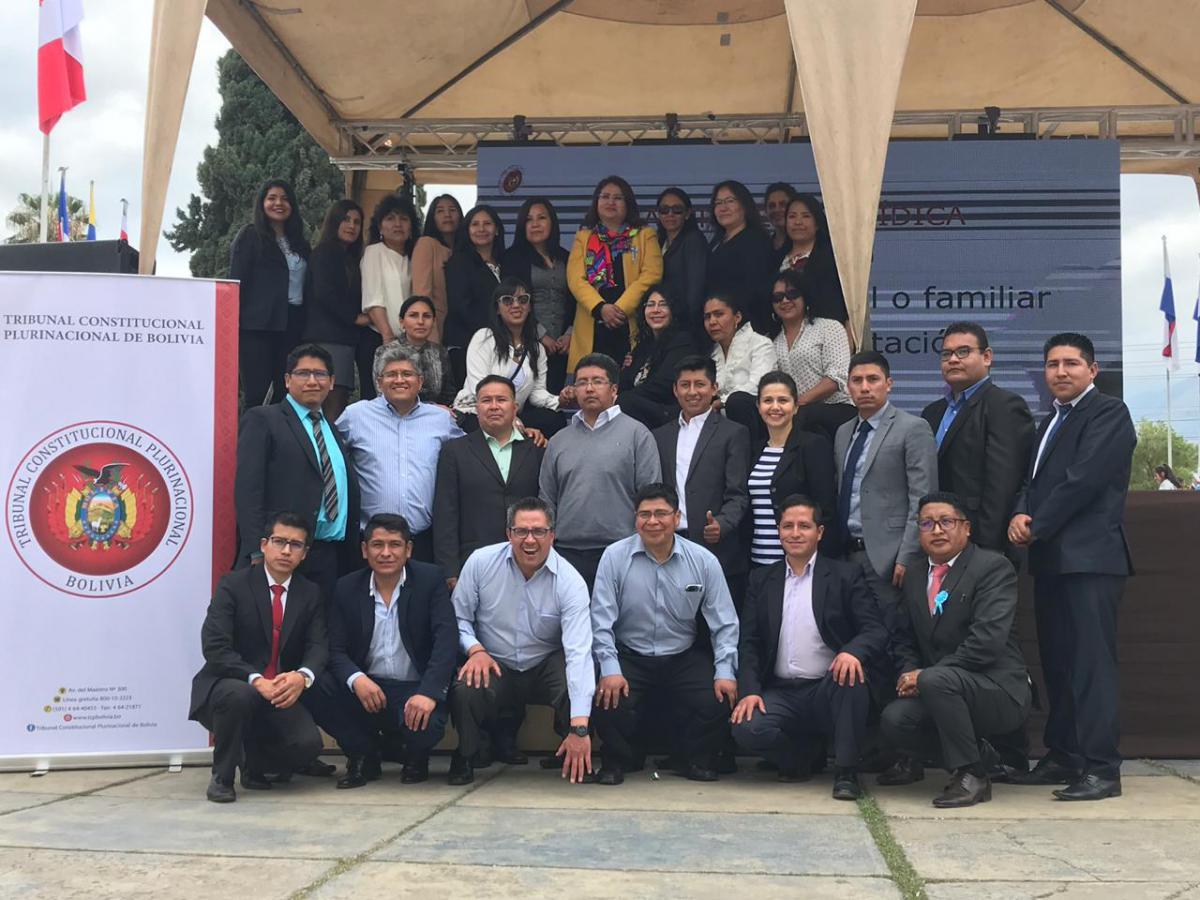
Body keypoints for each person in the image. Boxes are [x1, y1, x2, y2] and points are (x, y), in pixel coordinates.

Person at [1008, 332, 1137, 801]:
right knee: (1058, 663)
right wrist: (1020, 512)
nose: (1060, 372)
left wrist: (1036, 524)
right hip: (1051, 562)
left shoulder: (1109, 413)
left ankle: (1101, 768)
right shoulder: (1049, 422)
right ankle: (1063, 755)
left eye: (1071, 363)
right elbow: (1030, 482)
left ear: (1092, 370)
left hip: (1090, 561)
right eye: (1052, 364)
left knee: (1090, 666)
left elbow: (1082, 481)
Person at [878, 493, 1032, 808]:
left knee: (935, 680)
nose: (937, 530)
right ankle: (982, 755)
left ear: (966, 528)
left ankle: (973, 776)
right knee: (896, 719)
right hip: (941, 688)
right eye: (927, 523)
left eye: (946, 522)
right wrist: (910, 674)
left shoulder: (992, 567)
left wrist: (926, 675)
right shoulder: (914, 574)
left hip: (997, 689)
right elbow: (904, 638)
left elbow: (987, 641)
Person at [730, 495, 888, 799]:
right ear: (778, 531)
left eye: (804, 526)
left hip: (827, 689)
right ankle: (801, 759)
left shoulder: (844, 575)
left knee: (851, 677)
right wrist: (749, 690)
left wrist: (852, 651)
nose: (795, 533)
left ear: (820, 532)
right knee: (746, 727)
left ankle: (846, 773)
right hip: (781, 691)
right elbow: (749, 642)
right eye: (787, 526)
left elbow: (875, 629)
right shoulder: (762, 579)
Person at [590, 484, 740, 784]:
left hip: (682, 654)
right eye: (644, 514)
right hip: (630, 653)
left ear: (677, 517)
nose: (653, 521)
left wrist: (725, 671)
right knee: (607, 695)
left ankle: (694, 759)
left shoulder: (703, 560)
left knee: (717, 696)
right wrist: (609, 668)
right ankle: (621, 759)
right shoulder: (614, 557)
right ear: (635, 519)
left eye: (661, 513)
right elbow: (600, 621)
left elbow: (724, 623)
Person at [448, 497, 595, 785]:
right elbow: (457, 618)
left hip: (544, 665)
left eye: (539, 531)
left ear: (552, 535)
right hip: (494, 662)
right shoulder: (480, 562)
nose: (530, 540)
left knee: (579, 676)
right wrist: (475, 650)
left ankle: (571, 748)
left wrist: (580, 727)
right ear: (508, 534)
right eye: (521, 531)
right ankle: (466, 754)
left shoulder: (570, 581)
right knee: (466, 687)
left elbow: (579, 652)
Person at [304, 514, 456, 788]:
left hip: (413, 688)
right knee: (316, 686)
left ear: (408, 549)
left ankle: (415, 756)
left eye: (395, 545)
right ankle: (362, 754)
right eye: (377, 545)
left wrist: (428, 693)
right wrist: (356, 679)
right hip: (367, 688)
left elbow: (445, 642)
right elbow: (334, 648)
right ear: (364, 550)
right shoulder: (347, 587)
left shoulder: (430, 580)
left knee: (427, 725)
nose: (386, 553)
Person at [189, 512, 327, 803]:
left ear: (304, 553)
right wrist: (254, 679)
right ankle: (222, 777)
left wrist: (301, 676)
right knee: (239, 695)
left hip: (279, 691)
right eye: (279, 542)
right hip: (232, 684)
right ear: (264, 545)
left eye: (295, 545)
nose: (286, 551)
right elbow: (215, 646)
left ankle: (253, 762)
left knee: (307, 746)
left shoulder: (310, 593)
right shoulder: (233, 585)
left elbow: (318, 646)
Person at [234, 344, 360, 600]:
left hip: (329, 556)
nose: (312, 381)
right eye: (303, 373)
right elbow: (248, 490)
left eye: (320, 374)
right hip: (281, 554)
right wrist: (257, 551)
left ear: (332, 382)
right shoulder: (263, 419)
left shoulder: (332, 429)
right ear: (287, 380)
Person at [539, 353, 662, 590]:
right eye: (582, 382)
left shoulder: (638, 434)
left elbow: (650, 496)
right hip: (566, 553)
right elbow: (547, 498)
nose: (589, 388)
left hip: (622, 550)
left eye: (597, 381)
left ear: (614, 389)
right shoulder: (558, 440)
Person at [834, 351, 938, 629]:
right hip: (846, 553)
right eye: (857, 380)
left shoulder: (913, 428)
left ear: (889, 384)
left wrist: (907, 556)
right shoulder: (843, 432)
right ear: (848, 386)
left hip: (889, 557)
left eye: (873, 379)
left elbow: (923, 499)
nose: (865, 387)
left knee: (893, 633)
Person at [336, 342, 465, 563]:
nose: (399, 380)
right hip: (369, 542)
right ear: (379, 382)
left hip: (423, 541)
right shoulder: (355, 416)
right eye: (391, 374)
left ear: (420, 381)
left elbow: (470, 451)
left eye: (407, 374)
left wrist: (515, 425)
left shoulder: (440, 419)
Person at [920, 322, 1035, 557]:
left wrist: (984, 551)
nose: (953, 360)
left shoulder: (1004, 405)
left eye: (963, 352)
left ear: (987, 357)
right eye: (946, 354)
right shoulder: (932, 412)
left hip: (981, 545)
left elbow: (1002, 486)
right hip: (937, 542)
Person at [653, 355, 751, 606]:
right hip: (671, 545)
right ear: (675, 390)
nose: (692, 392)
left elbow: (738, 493)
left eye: (700, 384)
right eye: (685, 385)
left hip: (716, 546)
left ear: (714, 388)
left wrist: (723, 523)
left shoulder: (733, 433)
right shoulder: (660, 436)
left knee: (716, 624)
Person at [434, 375, 545, 588]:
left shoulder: (536, 449)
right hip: (473, 563)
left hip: (528, 561)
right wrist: (449, 570)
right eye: (486, 400)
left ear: (515, 407)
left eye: (501, 400)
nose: (494, 406)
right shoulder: (455, 451)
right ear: (477, 408)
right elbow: (446, 513)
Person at [566, 176, 663, 370]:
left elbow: (652, 275)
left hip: (629, 323)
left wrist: (619, 309)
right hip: (594, 324)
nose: (610, 202)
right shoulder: (584, 237)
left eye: (618, 198)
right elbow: (575, 279)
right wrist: (601, 308)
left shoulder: (645, 235)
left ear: (628, 204)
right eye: (605, 197)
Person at [229, 178, 310, 407]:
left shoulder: (300, 243)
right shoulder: (250, 236)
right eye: (272, 198)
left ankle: (279, 431)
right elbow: (237, 282)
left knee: (287, 392)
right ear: (262, 203)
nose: (278, 203)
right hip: (258, 326)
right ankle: (252, 431)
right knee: (258, 393)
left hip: (292, 324)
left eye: (284, 199)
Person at [748, 372, 839, 566]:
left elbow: (825, 510)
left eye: (783, 400)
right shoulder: (752, 450)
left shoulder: (814, 445)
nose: (775, 407)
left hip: (800, 563)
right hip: (757, 562)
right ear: (758, 406)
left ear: (796, 406)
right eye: (768, 400)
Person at [454, 278, 565, 436]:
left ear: (529, 307)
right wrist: (509, 419)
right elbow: (479, 388)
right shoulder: (484, 338)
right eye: (507, 300)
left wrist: (561, 400)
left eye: (523, 300)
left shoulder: (537, 349)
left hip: (513, 414)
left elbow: (537, 393)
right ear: (497, 309)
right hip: (477, 412)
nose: (516, 305)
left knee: (554, 420)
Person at [769, 270, 856, 442]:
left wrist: (798, 403)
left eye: (792, 294)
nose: (785, 301)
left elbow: (836, 378)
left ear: (805, 297)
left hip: (837, 408)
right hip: (793, 413)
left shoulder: (829, 328)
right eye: (778, 297)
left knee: (803, 417)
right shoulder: (772, 341)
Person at [304, 199, 367, 421]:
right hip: (327, 338)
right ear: (334, 222)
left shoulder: (351, 258)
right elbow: (325, 293)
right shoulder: (324, 253)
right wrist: (354, 317)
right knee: (331, 402)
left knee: (337, 400)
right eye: (346, 219)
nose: (352, 226)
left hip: (343, 340)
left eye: (357, 222)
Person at [501, 197, 573, 393]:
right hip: (527, 342)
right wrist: (540, 335)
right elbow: (512, 302)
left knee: (555, 399)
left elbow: (575, 299)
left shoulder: (566, 257)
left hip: (562, 346)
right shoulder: (512, 258)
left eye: (541, 218)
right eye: (529, 219)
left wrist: (569, 334)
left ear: (552, 222)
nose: (535, 224)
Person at [616, 286, 696, 429]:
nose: (656, 310)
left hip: (667, 411)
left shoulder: (682, 341)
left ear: (674, 310)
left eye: (663, 305)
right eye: (651, 305)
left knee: (623, 402)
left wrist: (620, 398)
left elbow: (662, 386)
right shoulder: (643, 345)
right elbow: (626, 379)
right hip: (637, 407)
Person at [444, 205, 506, 386]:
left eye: (487, 223)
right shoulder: (459, 262)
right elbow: (460, 305)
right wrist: (495, 331)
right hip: (467, 344)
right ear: (467, 230)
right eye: (475, 224)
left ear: (496, 230)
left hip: (501, 346)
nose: (481, 229)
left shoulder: (507, 262)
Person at [706, 179, 775, 334]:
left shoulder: (755, 241)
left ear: (744, 205)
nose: (723, 207)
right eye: (718, 203)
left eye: (730, 201)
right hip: (718, 326)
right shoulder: (717, 241)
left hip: (745, 327)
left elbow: (755, 290)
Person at [705, 292, 775, 441]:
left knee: (737, 401)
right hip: (722, 421)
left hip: (758, 419)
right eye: (707, 317)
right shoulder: (712, 353)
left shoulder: (761, 344)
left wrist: (722, 402)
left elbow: (759, 385)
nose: (712, 321)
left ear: (737, 317)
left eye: (719, 314)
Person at [774, 194, 849, 329]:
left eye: (806, 216)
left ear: (817, 224)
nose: (798, 222)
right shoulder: (775, 258)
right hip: (782, 333)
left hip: (825, 331)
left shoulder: (832, 258)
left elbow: (846, 301)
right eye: (792, 216)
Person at [361, 194, 420, 351]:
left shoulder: (414, 258)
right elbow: (373, 300)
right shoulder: (374, 252)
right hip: (381, 338)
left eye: (404, 219)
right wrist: (388, 337)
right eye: (390, 218)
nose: (398, 224)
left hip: (410, 340)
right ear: (380, 227)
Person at [411, 193, 464, 343]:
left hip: (460, 333)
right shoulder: (427, 244)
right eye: (440, 211)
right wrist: (430, 336)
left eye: (452, 210)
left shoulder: (464, 252)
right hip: (435, 330)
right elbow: (422, 294)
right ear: (432, 218)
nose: (447, 215)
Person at [655, 187, 708, 332]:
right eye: (664, 210)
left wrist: (686, 324)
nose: (670, 214)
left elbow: (696, 290)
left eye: (677, 209)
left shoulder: (694, 240)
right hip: (662, 319)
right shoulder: (658, 242)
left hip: (685, 324)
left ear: (687, 213)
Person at [392, 295, 457, 407]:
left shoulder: (439, 352)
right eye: (413, 316)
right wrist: (429, 408)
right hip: (397, 412)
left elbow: (449, 395)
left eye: (427, 316)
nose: (421, 321)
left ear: (434, 321)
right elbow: (385, 394)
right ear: (402, 322)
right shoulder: (387, 352)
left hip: (437, 413)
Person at [763, 181, 798, 254]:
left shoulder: (805, 243)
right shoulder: (763, 246)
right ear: (766, 211)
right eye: (772, 206)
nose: (777, 210)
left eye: (783, 204)